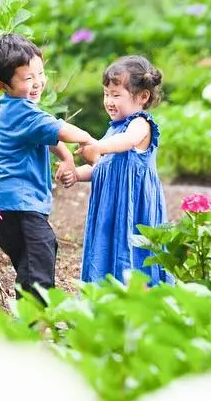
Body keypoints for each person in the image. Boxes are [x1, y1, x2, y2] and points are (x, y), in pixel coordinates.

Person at [0, 32, 91, 303]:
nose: (37, 83)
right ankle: (33, 323)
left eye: (40, 74)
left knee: (32, 265)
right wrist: (93, 141)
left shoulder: (17, 107)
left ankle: (29, 320)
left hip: (12, 204)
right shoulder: (22, 111)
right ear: (2, 85)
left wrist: (66, 159)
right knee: (39, 257)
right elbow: (61, 131)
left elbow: (48, 134)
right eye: (27, 78)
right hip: (17, 204)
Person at [70, 56, 168, 285]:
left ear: (143, 97)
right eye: (106, 93)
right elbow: (103, 167)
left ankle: (136, 303)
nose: (108, 101)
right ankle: (104, 304)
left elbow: (129, 141)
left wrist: (97, 147)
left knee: (132, 255)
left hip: (133, 209)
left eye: (116, 95)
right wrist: (76, 174)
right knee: (105, 253)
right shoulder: (113, 130)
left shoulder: (140, 124)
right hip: (110, 211)